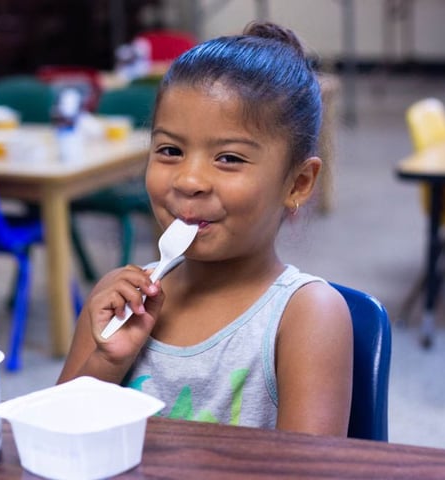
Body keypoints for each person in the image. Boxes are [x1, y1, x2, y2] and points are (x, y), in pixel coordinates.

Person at [58, 21, 353, 436]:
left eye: (229, 158)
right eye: (170, 151)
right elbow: (54, 437)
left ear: (298, 183)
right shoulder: (119, 300)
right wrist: (108, 361)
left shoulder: (306, 316)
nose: (188, 180)